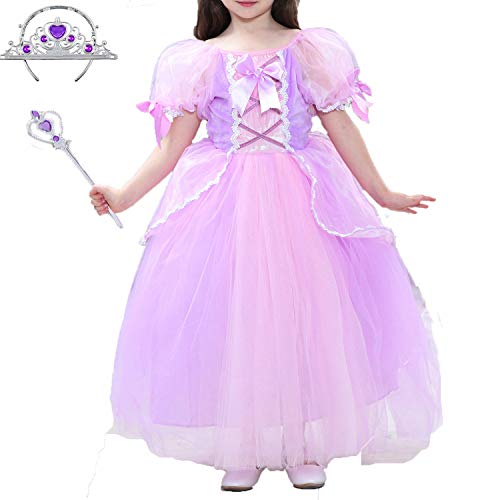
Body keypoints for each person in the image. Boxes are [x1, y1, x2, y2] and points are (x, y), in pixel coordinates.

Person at [89, 0, 442, 492]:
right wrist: (124, 195)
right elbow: (172, 145)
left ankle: (302, 445)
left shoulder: (309, 51)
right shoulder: (199, 61)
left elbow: (341, 127)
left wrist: (383, 193)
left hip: (303, 206)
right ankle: (244, 444)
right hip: (225, 209)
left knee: (305, 320)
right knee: (238, 323)